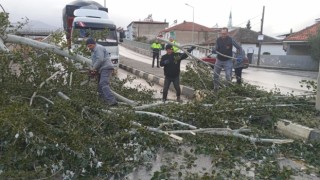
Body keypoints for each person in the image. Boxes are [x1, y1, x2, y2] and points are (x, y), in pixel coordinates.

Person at [86, 38, 118, 106]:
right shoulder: (93, 51)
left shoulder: (98, 48)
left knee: (103, 83)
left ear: (94, 44)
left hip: (106, 67)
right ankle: (103, 101)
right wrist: (92, 69)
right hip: (101, 69)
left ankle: (112, 101)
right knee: (100, 86)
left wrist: (93, 68)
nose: (89, 47)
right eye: (88, 46)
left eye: (90, 45)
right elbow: (95, 61)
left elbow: (100, 59)